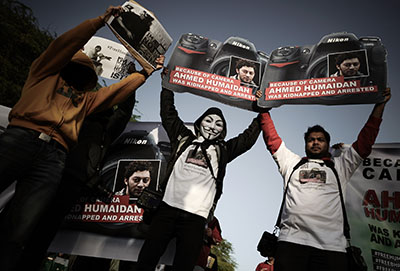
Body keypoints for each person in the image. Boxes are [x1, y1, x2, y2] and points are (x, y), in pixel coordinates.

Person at [0, 5, 163, 270]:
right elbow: (65, 43)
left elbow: (116, 93)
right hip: (22, 137)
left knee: (20, 228)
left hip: (54, 158)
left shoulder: (86, 101)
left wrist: (144, 72)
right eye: (75, 68)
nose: (81, 77)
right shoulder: (44, 73)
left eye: (87, 75)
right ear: (65, 64)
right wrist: (98, 22)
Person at [259, 87, 391, 271]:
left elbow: (365, 142)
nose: (315, 142)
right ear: (305, 144)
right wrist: (263, 109)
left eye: (320, 139)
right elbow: (272, 140)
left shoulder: (340, 166)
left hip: (332, 248)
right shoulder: (291, 163)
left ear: (327, 144)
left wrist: (380, 106)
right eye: (311, 139)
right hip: (291, 242)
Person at [135, 84, 262, 271]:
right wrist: (166, 85)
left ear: (223, 130)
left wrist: (263, 108)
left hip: (196, 219)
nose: (212, 126)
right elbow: (168, 113)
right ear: (199, 123)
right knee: (146, 259)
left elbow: (247, 139)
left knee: (184, 266)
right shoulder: (183, 138)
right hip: (166, 210)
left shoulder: (223, 151)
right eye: (208, 120)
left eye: (218, 124)